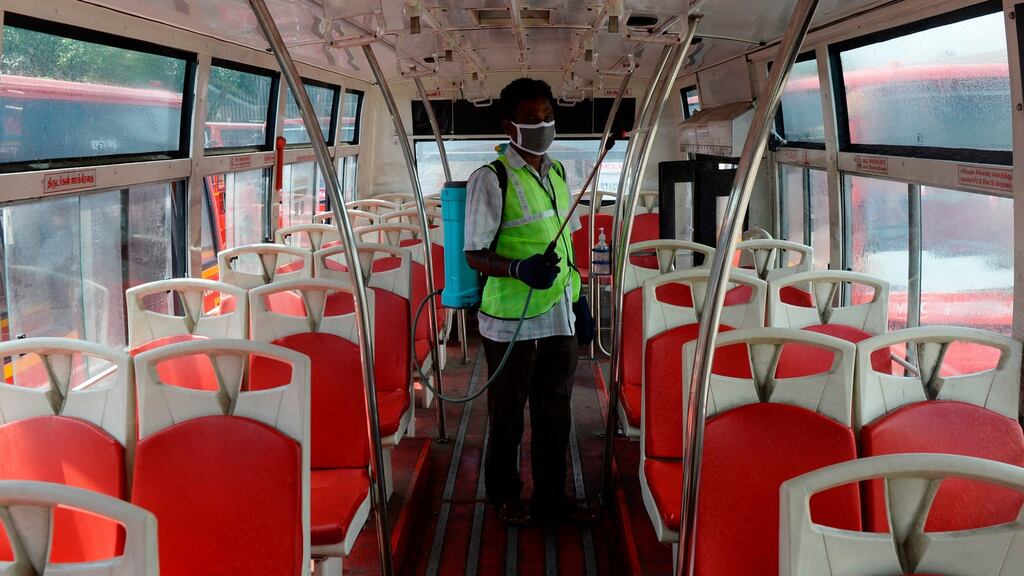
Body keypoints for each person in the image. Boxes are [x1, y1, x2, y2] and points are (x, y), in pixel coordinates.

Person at [464, 78, 597, 525]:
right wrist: (519, 269)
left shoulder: (559, 173)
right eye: (531, 120)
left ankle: (550, 498)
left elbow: (568, 245)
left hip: (559, 310)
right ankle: (502, 495)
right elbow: (475, 254)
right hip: (509, 320)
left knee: (555, 409)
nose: (542, 126)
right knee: (507, 414)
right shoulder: (491, 178)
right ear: (509, 126)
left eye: (547, 118)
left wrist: (579, 301)